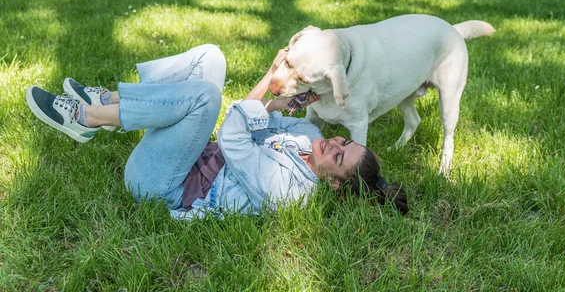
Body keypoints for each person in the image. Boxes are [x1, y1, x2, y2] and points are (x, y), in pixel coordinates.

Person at [26, 45, 408, 219]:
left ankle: (86, 118)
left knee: (206, 97)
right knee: (211, 57)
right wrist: (281, 91)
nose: (333, 142)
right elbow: (256, 116)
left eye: (338, 156)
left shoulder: (289, 192)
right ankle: (107, 98)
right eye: (344, 140)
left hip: (161, 185)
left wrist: (265, 79)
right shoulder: (307, 141)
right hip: (185, 155)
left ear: (335, 185)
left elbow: (233, 131)